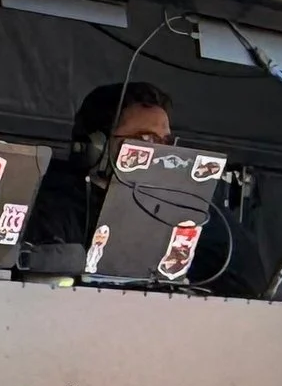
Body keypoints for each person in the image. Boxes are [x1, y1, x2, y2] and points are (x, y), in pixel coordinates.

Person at [19, 78, 177, 258]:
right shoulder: (50, 205)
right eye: (146, 139)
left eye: (165, 142)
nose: (160, 152)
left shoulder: (167, 207)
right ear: (97, 145)